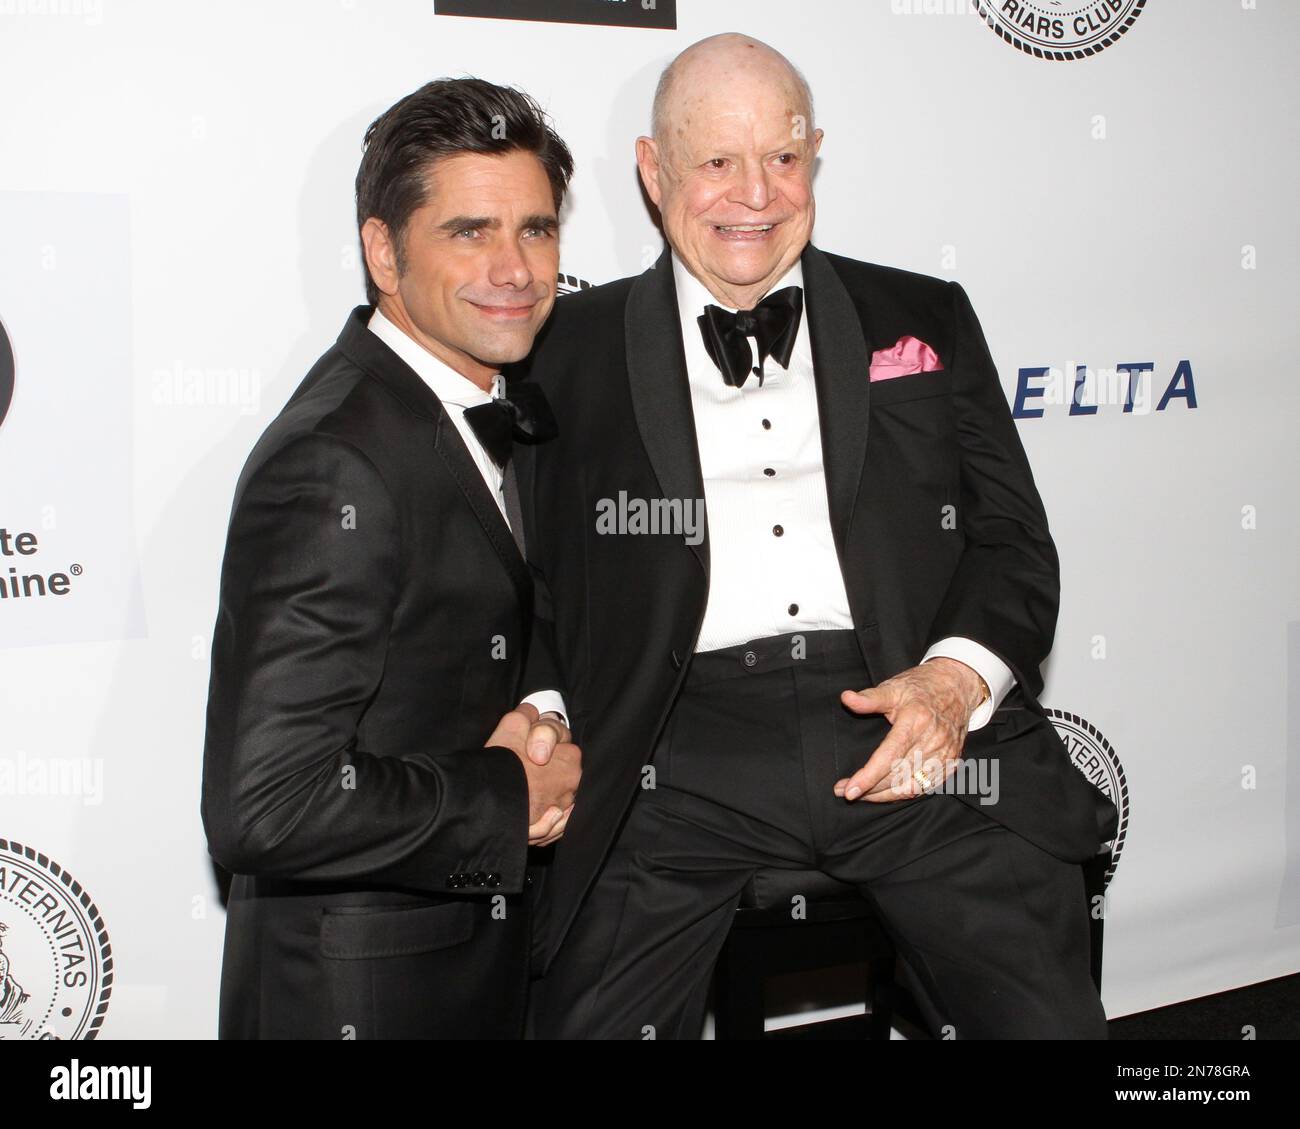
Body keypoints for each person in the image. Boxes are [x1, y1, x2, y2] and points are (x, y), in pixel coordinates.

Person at [518, 33, 1117, 1039]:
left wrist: (954, 682)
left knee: (1047, 1026)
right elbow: (527, 575)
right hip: (672, 755)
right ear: (653, 172)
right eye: (715, 161)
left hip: (908, 725)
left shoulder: (922, 314)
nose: (755, 194)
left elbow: (1013, 539)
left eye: (783, 159)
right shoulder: (562, 351)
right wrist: (545, 713)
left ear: (816, 157)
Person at [201, 77, 580, 1039]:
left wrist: (537, 705)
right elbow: (266, 804)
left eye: (535, 230)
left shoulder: (477, 399)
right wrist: (506, 796)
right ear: (382, 249)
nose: (516, 269)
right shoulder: (336, 457)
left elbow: (488, 607)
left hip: (463, 967)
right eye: (469, 232)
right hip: (360, 995)